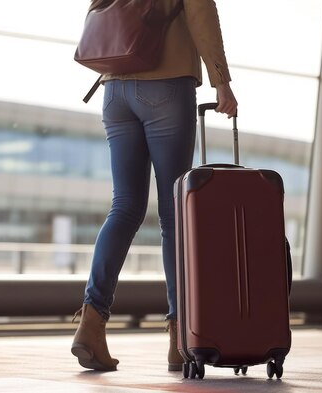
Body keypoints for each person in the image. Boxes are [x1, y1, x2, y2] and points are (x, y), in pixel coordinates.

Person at [71, 0, 238, 372]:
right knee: (173, 215)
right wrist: (222, 82)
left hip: (114, 89)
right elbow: (201, 15)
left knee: (124, 207)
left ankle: (91, 322)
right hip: (165, 85)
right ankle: (180, 338)